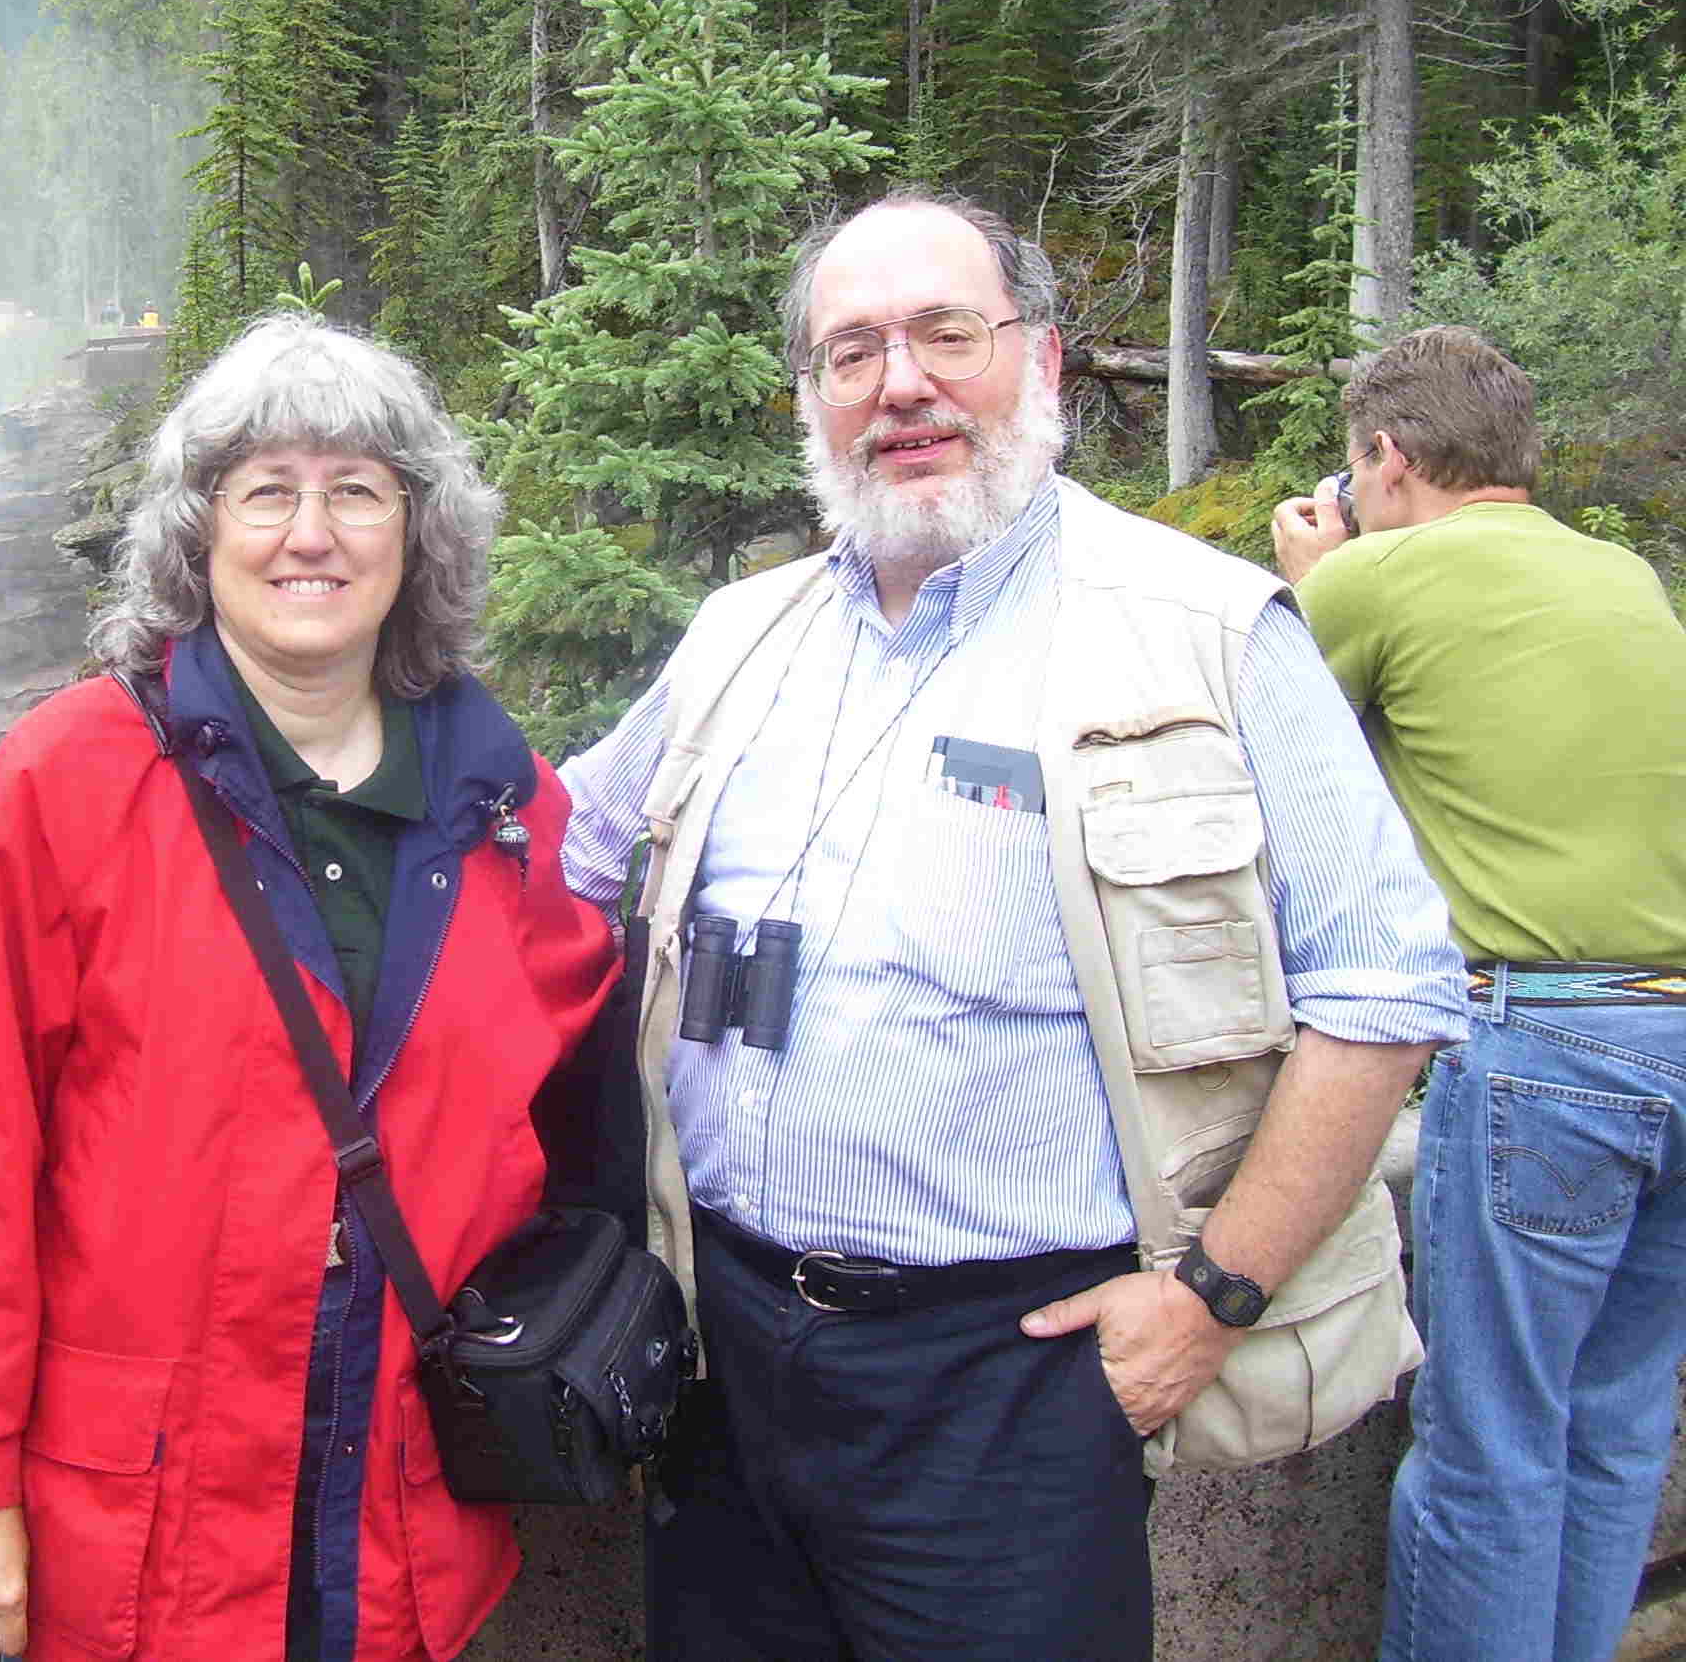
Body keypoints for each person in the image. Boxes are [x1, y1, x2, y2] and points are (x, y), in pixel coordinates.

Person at [558, 191, 1468, 1661]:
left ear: (1039, 361)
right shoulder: (742, 636)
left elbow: (1384, 987)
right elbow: (548, 854)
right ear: (811, 399)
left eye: (945, 334)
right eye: (849, 352)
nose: (899, 383)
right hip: (724, 1357)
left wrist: (1214, 1299)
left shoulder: (1209, 628)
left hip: (1015, 1381)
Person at [0, 313, 618, 1662]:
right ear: (197, 534)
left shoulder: (502, 798)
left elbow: (570, 1082)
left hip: (403, 1491)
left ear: (416, 531)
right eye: (266, 491)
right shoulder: (74, 775)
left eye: (357, 492)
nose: (310, 534)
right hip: (151, 1501)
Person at [1270, 325, 1686, 1662]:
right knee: (1611, 1428)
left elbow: (1272, 777)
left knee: (1488, 1447)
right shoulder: (1619, 570)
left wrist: (1314, 583)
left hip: (1554, 1047)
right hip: (1675, 1020)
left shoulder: (1379, 574)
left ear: (1384, 457)